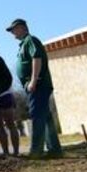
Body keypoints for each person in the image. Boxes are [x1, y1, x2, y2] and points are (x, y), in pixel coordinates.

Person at [7, 18, 62, 158]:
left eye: (14, 29)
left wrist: (33, 80)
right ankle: (55, 150)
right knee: (46, 117)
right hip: (34, 86)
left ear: (23, 28)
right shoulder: (23, 44)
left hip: (38, 85)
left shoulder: (31, 40)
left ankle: (36, 151)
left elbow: (37, 58)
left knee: (37, 116)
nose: (12, 33)